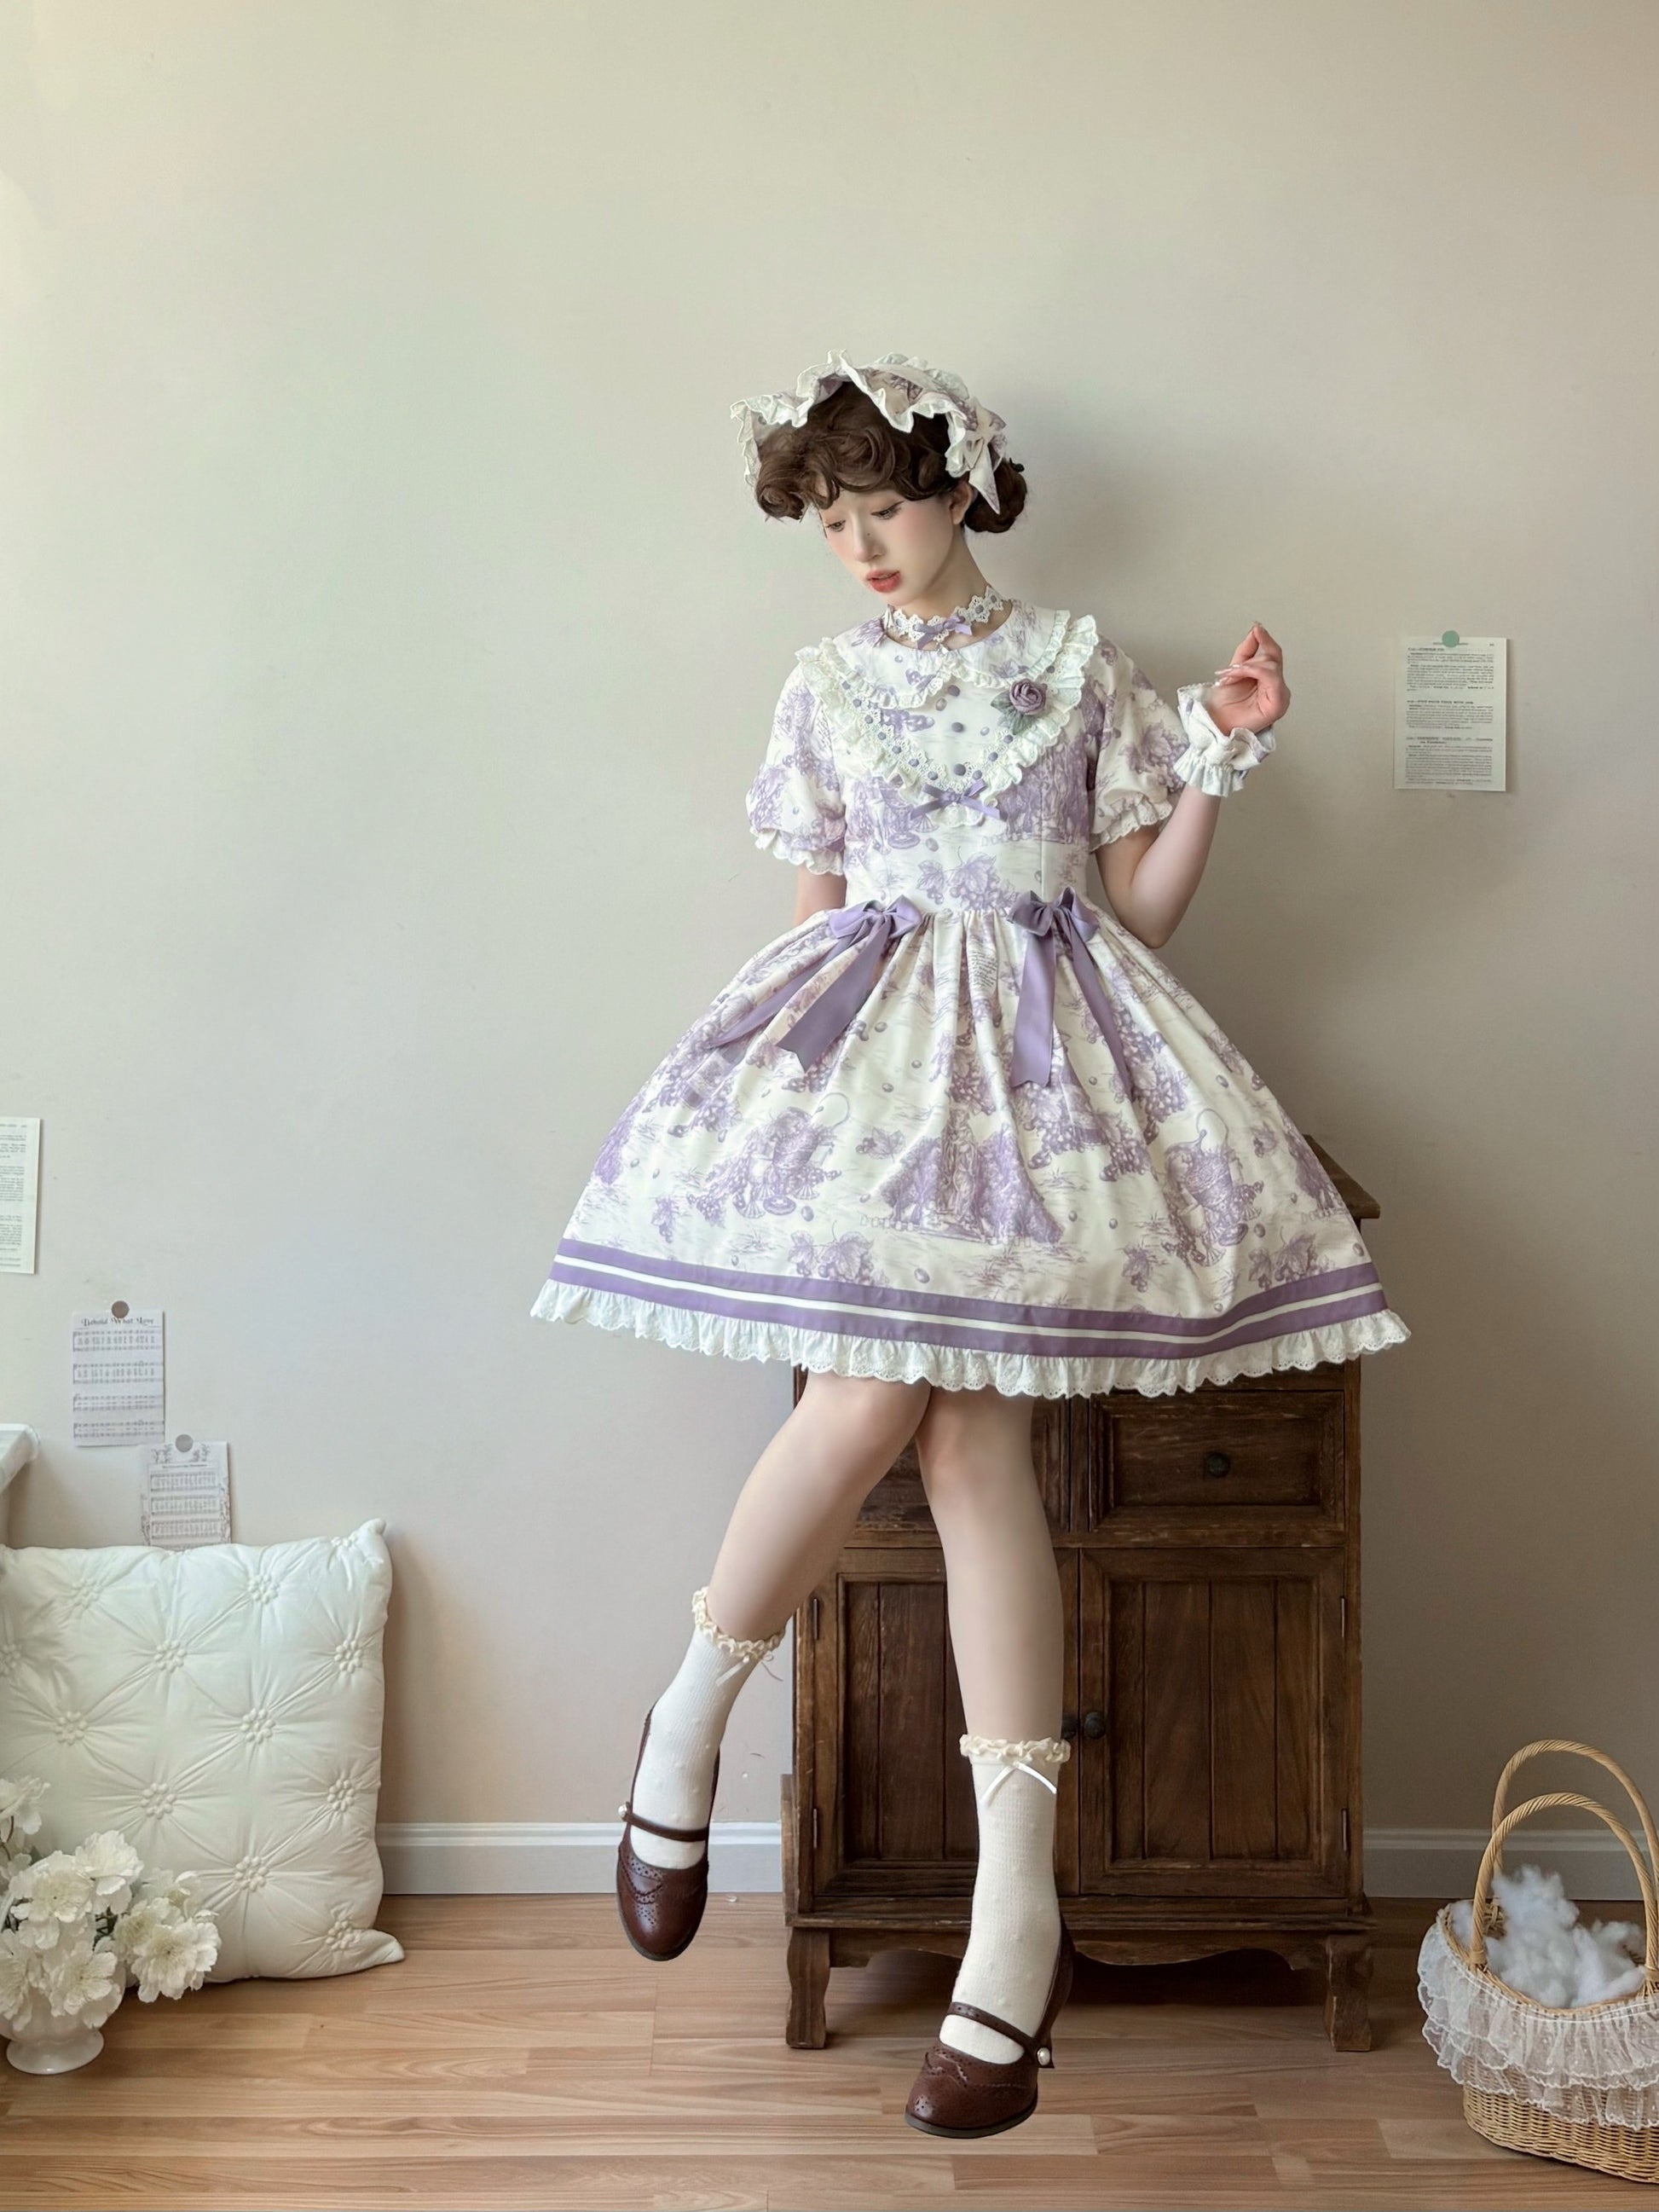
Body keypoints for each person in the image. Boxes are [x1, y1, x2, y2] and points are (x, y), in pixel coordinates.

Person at [531, 350, 1408, 2138]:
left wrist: (1216, 758)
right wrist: (785, 1106)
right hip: (877, 1098)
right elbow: (819, 915)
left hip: (1037, 1086)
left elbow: (1129, 909)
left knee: (969, 1448)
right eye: (830, 521)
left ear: (959, 490)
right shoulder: (823, 680)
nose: (860, 545)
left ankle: (1006, 1910)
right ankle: (698, 1719)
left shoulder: (1076, 659)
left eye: (884, 508)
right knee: (870, 1406)